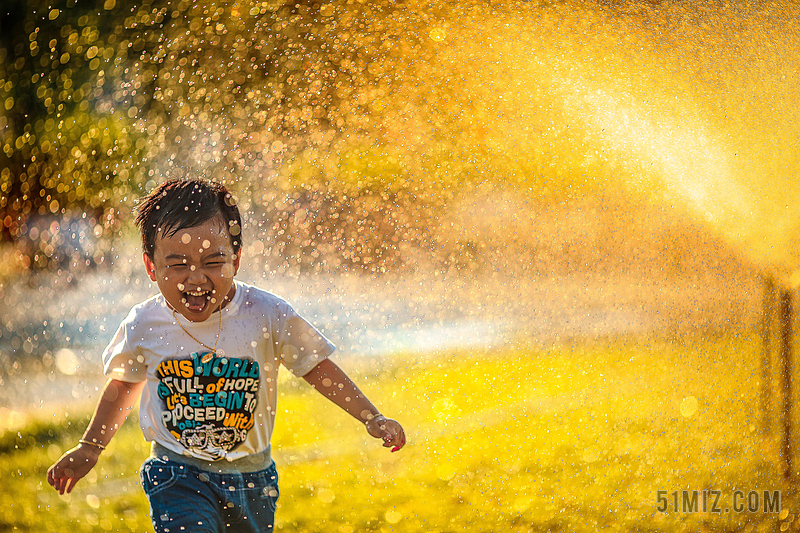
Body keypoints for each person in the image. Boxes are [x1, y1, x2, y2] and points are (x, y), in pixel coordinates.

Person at [47, 178, 406, 532]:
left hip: (252, 478)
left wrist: (370, 416)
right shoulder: (145, 323)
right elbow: (124, 385)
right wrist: (91, 446)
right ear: (151, 267)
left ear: (236, 259)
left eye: (212, 261)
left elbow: (316, 366)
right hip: (177, 473)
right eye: (178, 264)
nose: (196, 277)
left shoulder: (266, 314)